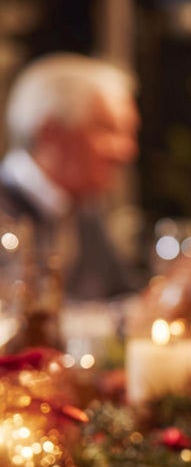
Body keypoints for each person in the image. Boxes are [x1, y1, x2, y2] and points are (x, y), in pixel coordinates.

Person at [0, 52, 141, 350]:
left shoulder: (85, 213)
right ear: (49, 132)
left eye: (130, 133)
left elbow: (127, 302)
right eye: (107, 129)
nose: (126, 151)